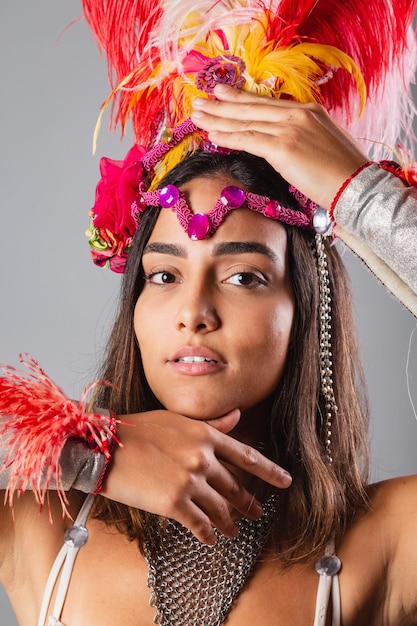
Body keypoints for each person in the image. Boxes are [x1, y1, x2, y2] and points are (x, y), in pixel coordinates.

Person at [1, 0, 417, 625]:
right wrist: (90, 456)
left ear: (305, 307)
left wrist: (355, 192)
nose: (193, 312)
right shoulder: (38, 522)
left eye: (244, 276)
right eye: (164, 274)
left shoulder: (386, 542)